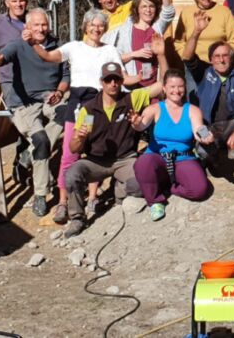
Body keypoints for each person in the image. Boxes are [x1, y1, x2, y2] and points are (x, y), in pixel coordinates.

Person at [62, 48, 168, 238]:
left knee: (140, 184)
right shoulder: (89, 110)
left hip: (125, 159)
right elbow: (73, 148)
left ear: (121, 81)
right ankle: (77, 217)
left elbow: (162, 85)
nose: (113, 83)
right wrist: (80, 138)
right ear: (101, 82)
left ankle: (119, 192)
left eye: (117, 79)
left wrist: (160, 55)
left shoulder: (132, 99)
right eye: (108, 79)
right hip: (96, 161)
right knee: (72, 174)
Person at [31, 8, 123, 223]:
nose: (96, 29)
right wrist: (33, 43)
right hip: (78, 106)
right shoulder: (74, 47)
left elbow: (122, 77)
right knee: (70, 153)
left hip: (98, 106)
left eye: (100, 25)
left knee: (95, 152)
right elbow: (48, 56)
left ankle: (92, 197)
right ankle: (63, 201)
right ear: (85, 26)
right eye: (92, 25)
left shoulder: (110, 50)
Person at [0, 8, 69, 217]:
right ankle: (40, 194)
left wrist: (59, 92)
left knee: (68, 112)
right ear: (27, 27)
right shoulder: (19, 45)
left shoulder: (58, 47)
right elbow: (2, 57)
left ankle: (30, 153)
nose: (40, 28)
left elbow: (66, 76)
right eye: (36, 25)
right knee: (41, 140)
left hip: (50, 97)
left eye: (44, 24)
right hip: (25, 103)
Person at [182, 14, 234, 184]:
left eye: (225, 55)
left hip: (232, 124)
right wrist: (196, 31)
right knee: (202, 150)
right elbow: (187, 57)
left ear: (231, 58)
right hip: (207, 125)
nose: (221, 60)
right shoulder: (203, 72)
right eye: (217, 56)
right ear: (211, 59)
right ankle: (212, 160)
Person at [131, 69, 214, 221]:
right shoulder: (155, 108)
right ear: (164, 88)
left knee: (199, 190)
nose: (176, 90)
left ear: (185, 88)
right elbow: (141, 125)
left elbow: (199, 128)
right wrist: (136, 124)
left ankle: (170, 187)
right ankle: (155, 201)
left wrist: (205, 136)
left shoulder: (192, 110)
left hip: (183, 157)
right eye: (172, 87)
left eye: (180, 86)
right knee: (143, 162)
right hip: (157, 157)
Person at [104, 0, 175, 87]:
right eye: (144, 7)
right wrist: (135, 54)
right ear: (137, 10)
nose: (148, 10)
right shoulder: (124, 31)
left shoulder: (157, 28)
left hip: (154, 86)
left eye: (151, 6)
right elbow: (114, 59)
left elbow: (169, 12)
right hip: (132, 88)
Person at [174, 0, 234, 64]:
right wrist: (185, 56)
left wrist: (223, 58)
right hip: (193, 64)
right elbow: (179, 41)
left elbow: (233, 41)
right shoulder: (186, 13)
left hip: (218, 63)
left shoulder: (224, 12)